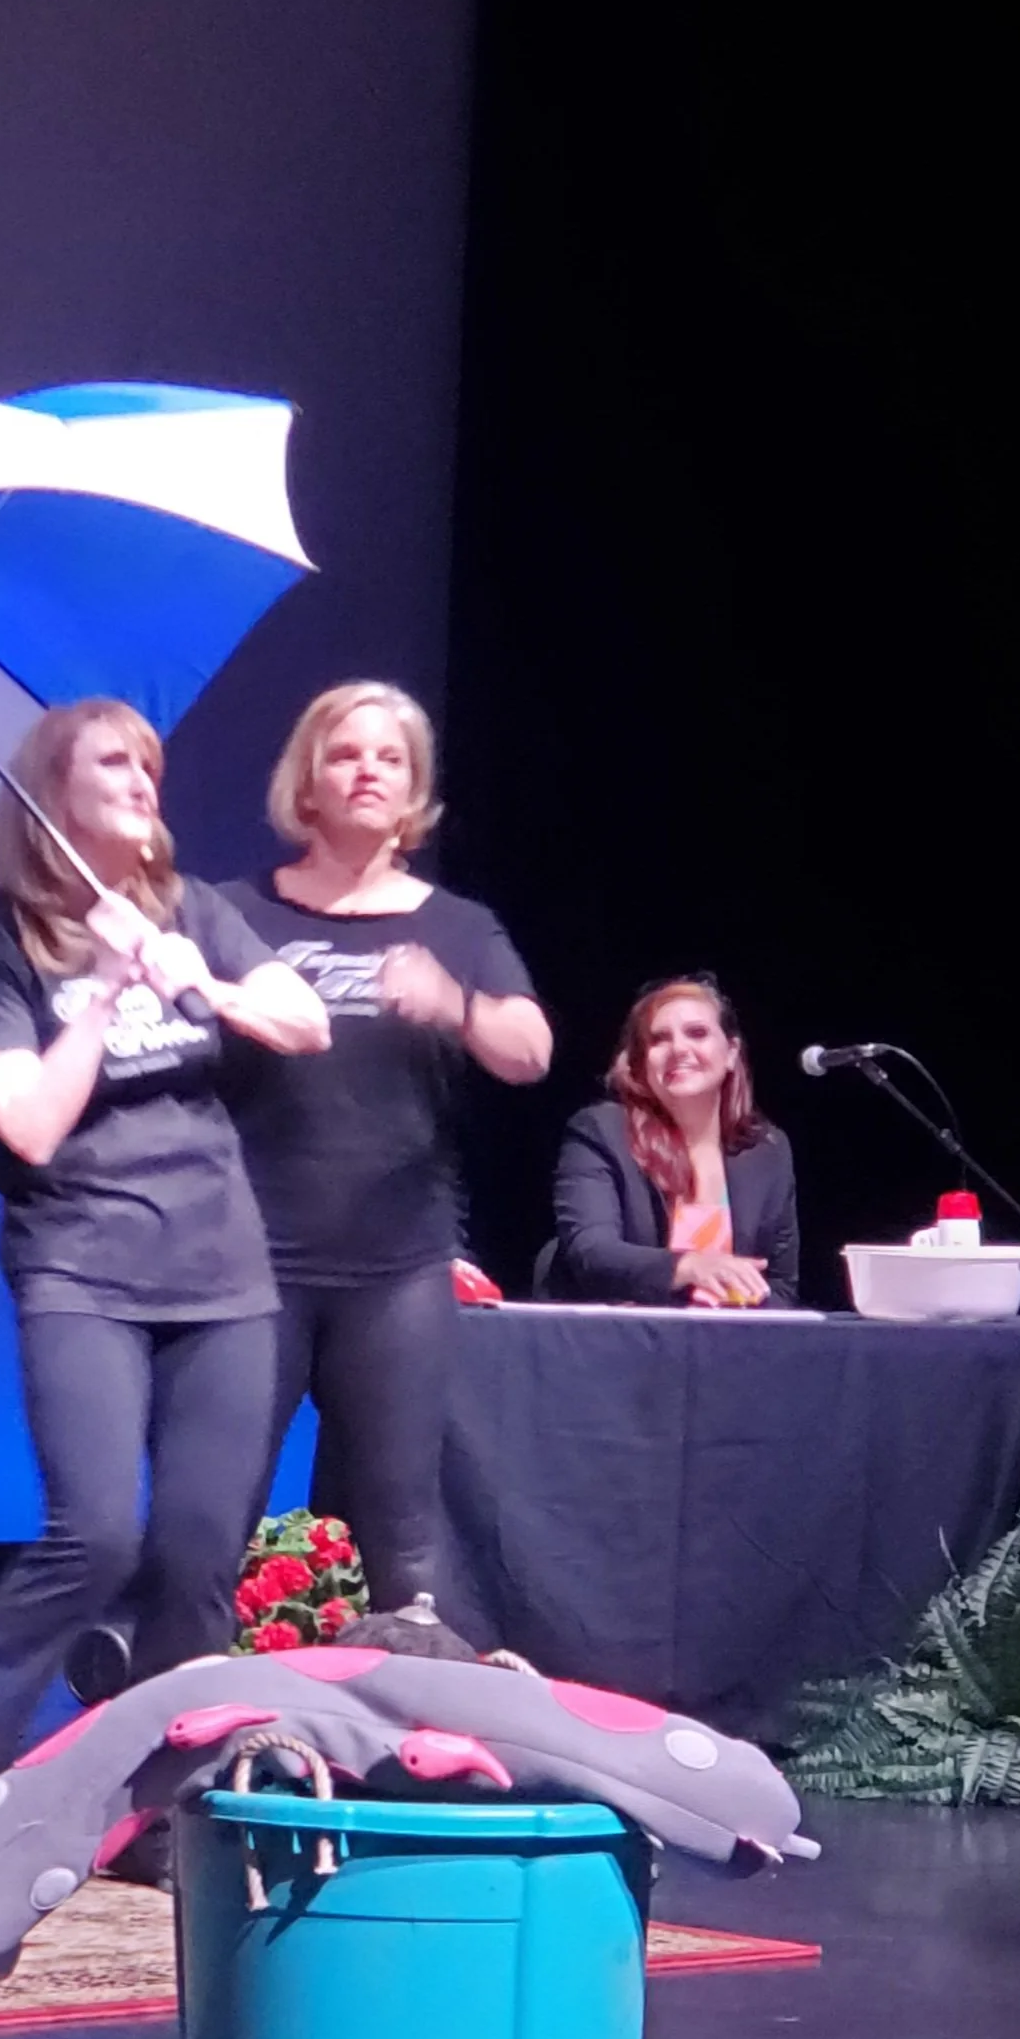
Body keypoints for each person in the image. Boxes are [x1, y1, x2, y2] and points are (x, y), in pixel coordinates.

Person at [0, 699, 330, 1837]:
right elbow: (31, 1126)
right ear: (54, 791)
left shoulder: (192, 912)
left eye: (149, 763)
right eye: (113, 763)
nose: (143, 781)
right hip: (81, 1265)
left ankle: (154, 1809)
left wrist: (204, 982)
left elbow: (306, 1024)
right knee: (94, 1535)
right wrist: (97, 990)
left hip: (220, 1267)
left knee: (199, 1552)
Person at [221, 681, 552, 1614]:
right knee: (216, 1510)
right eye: (346, 754)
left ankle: (396, 1700)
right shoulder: (234, 913)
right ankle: (182, 1691)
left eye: (390, 758)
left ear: (413, 792)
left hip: (397, 1270)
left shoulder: (456, 927)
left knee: (401, 1531)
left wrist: (454, 1004)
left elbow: (530, 1053)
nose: (368, 771)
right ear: (308, 783)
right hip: (249, 1262)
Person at [549, 976, 799, 1307]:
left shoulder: (767, 1150)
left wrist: (737, 1304)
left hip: (727, 1335)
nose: (679, 1049)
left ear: (731, 1053)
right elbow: (592, 1253)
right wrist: (690, 1266)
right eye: (659, 1040)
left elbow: (780, 1288)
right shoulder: (600, 1131)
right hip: (623, 1332)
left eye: (697, 1033)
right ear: (641, 1062)